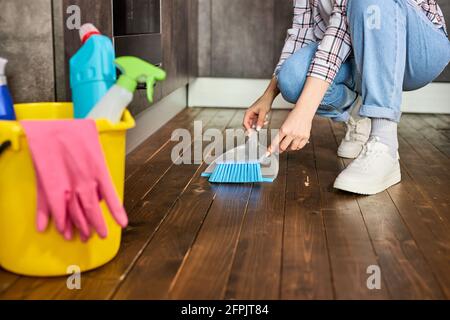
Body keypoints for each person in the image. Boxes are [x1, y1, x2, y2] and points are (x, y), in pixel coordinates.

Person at [243, 0, 450, 195]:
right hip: (357, 57)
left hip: (416, 49)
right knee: (291, 78)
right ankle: (359, 114)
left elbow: (339, 34)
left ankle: (385, 143)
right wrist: (268, 95)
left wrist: (304, 112)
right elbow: (301, 33)